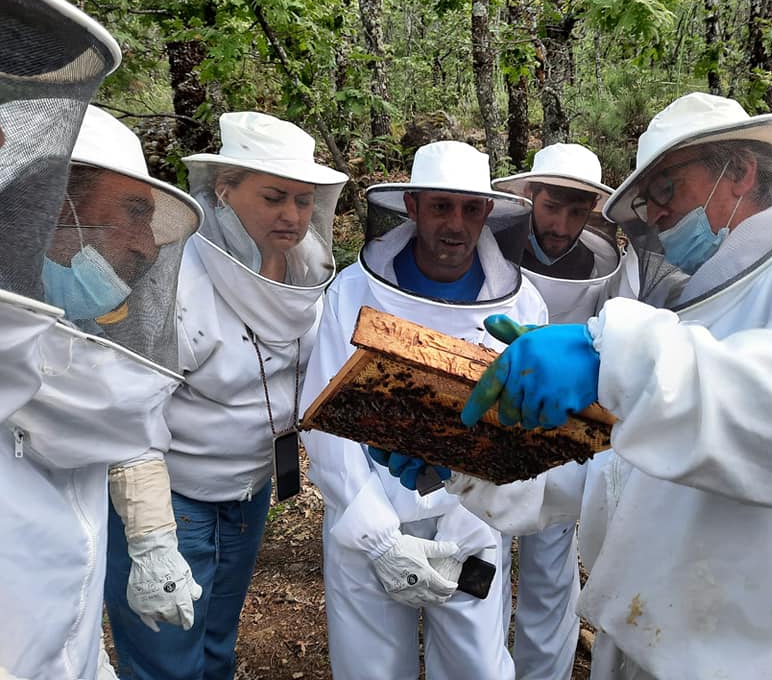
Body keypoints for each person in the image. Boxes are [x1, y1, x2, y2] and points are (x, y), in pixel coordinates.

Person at [379, 92, 772, 678]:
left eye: (666, 188)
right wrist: (462, 458)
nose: (657, 214)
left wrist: (611, 356)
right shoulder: (688, 318)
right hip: (658, 645)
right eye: (647, 198)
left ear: (739, 173)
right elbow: (608, 473)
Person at [0, 0, 204, 675]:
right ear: (55, 211)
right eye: (134, 213)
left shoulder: (77, 337)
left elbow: (110, 408)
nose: (148, 248)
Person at [103, 111, 346, 680]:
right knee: (167, 661)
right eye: (274, 196)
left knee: (216, 643)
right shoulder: (174, 278)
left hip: (251, 489)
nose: (292, 215)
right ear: (225, 191)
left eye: (304, 200)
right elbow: (127, 410)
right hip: (174, 499)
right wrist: (150, 537)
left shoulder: (306, 271)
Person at [300, 140, 546, 679]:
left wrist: (469, 510)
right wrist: (380, 537)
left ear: (487, 212)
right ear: (412, 206)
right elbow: (324, 416)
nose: (454, 224)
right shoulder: (351, 291)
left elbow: (523, 425)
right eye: (440, 206)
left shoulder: (523, 304)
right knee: (370, 669)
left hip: (475, 520)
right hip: (367, 517)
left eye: (468, 208)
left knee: (476, 667)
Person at [490, 143, 620, 679]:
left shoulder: (604, 263)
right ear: (528, 198)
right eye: (550, 208)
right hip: (494, 412)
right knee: (484, 554)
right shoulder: (490, 248)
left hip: (567, 428)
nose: (562, 224)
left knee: (551, 560)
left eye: (576, 211)